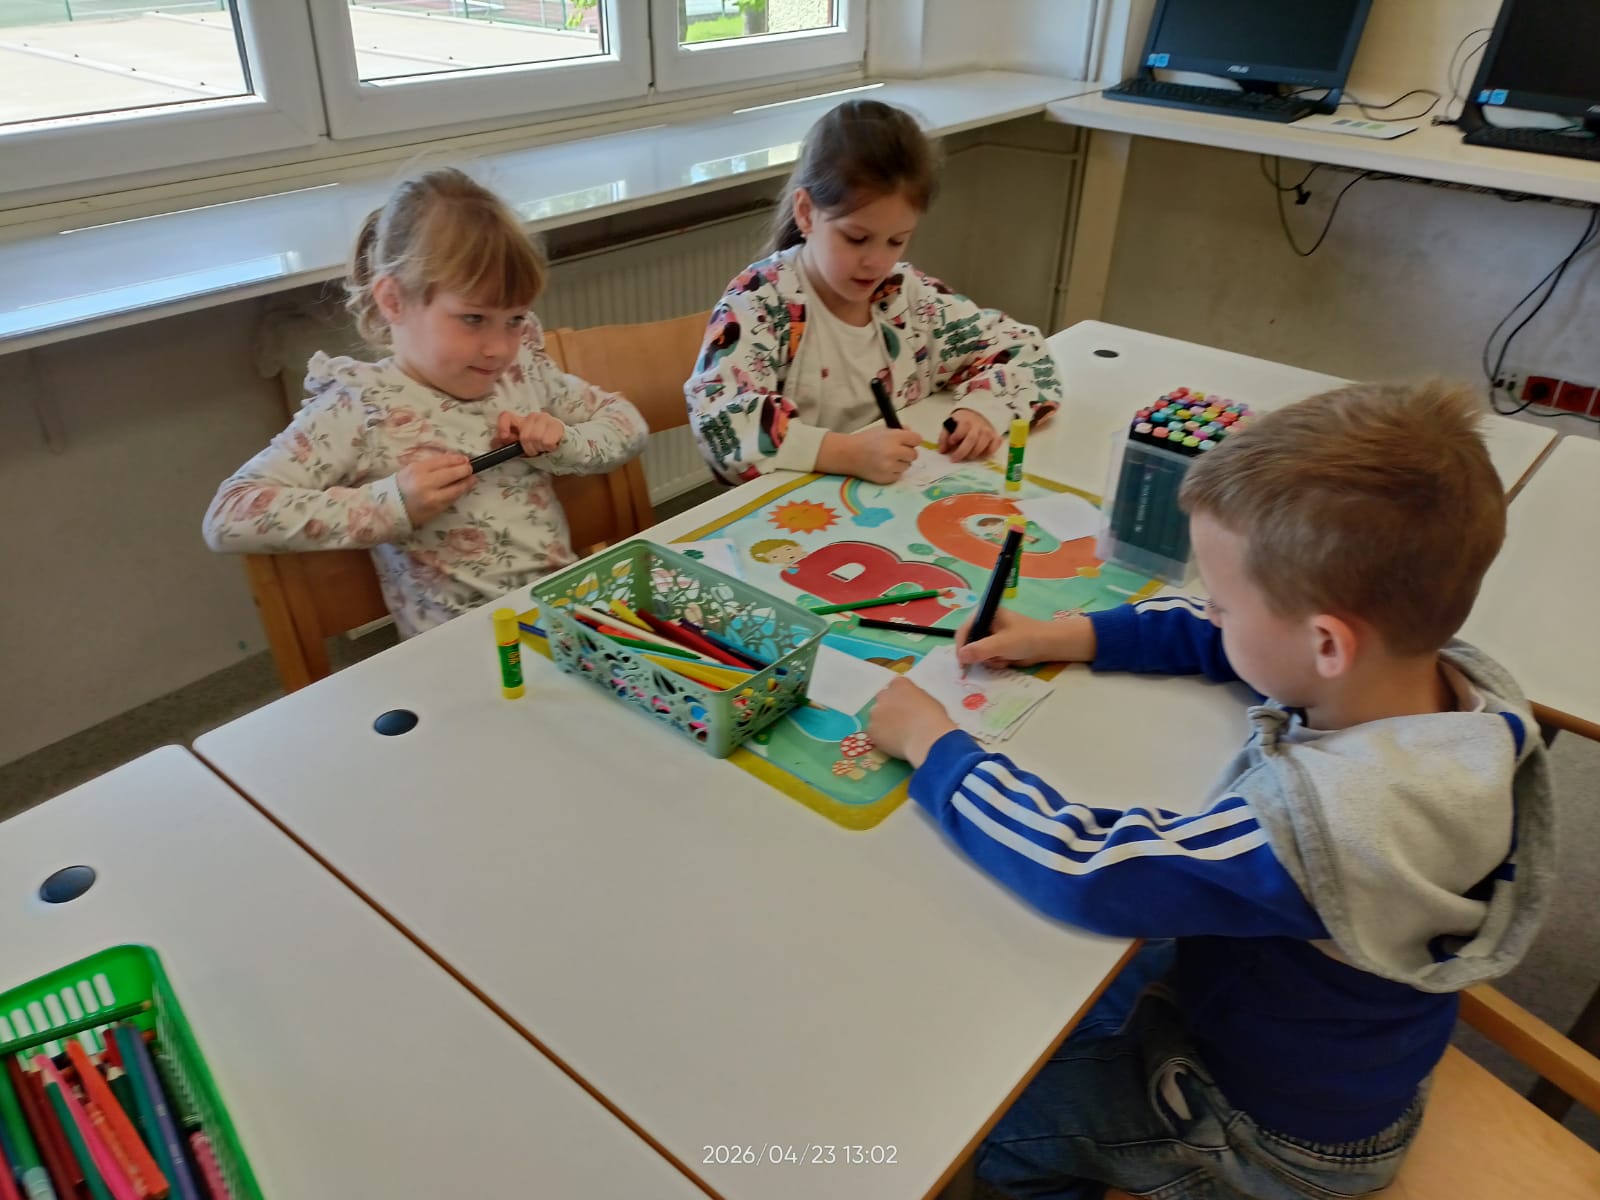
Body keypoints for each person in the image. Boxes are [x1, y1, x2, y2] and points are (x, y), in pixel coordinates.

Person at [867, 381, 1554, 1199]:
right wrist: (1066, 634)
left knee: (993, 1126)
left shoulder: (1332, 824)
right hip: (1328, 1043)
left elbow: (1089, 868)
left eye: (1226, 605)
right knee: (1059, 1006)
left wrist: (934, 746)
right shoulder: (1444, 684)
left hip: (1275, 1136)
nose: (1212, 615)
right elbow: (1223, 634)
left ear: (1327, 644)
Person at [204, 167, 648, 636]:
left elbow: (627, 424)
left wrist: (564, 442)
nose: (499, 348)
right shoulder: (360, 407)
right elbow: (230, 515)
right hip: (457, 651)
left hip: (560, 622)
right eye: (473, 319)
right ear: (394, 301)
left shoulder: (522, 372)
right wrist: (391, 505)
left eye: (515, 319)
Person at [685, 99, 1061, 486]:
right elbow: (720, 425)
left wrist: (983, 411)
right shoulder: (762, 304)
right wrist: (846, 453)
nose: (877, 263)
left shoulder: (908, 300)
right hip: (788, 512)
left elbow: (1024, 351)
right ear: (806, 213)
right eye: (856, 238)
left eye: (897, 241)